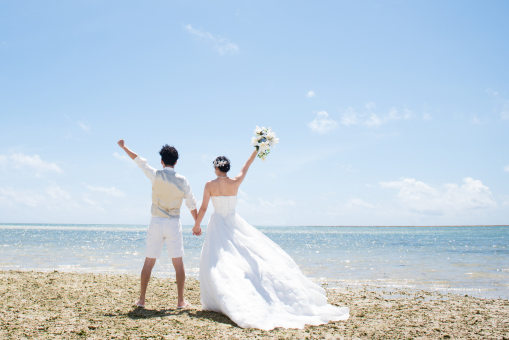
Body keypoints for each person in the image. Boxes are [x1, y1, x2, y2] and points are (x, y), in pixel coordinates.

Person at [192, 149, 350, 330]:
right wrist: (256, 150)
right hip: (234, 222)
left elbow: (203, 208)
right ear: (227, 168)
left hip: (218, 223)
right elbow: (247, 165)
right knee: (239, 256)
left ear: (215, 168)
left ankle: (221, 296)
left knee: (217, 260)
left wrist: (197, 225)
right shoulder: (236, 181)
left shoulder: (209, 184)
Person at [117, 139, 198, 309]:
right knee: (178, 263)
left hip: (156, 221)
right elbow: (191, 203)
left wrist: (124, 147)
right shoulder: (183, 180)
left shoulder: (155, 175)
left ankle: (141, 299)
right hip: (174, 223)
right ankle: (181, 301)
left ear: (162, 161)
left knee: (149, 262)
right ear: (176, 162)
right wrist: (197, 224)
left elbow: (139, 160)